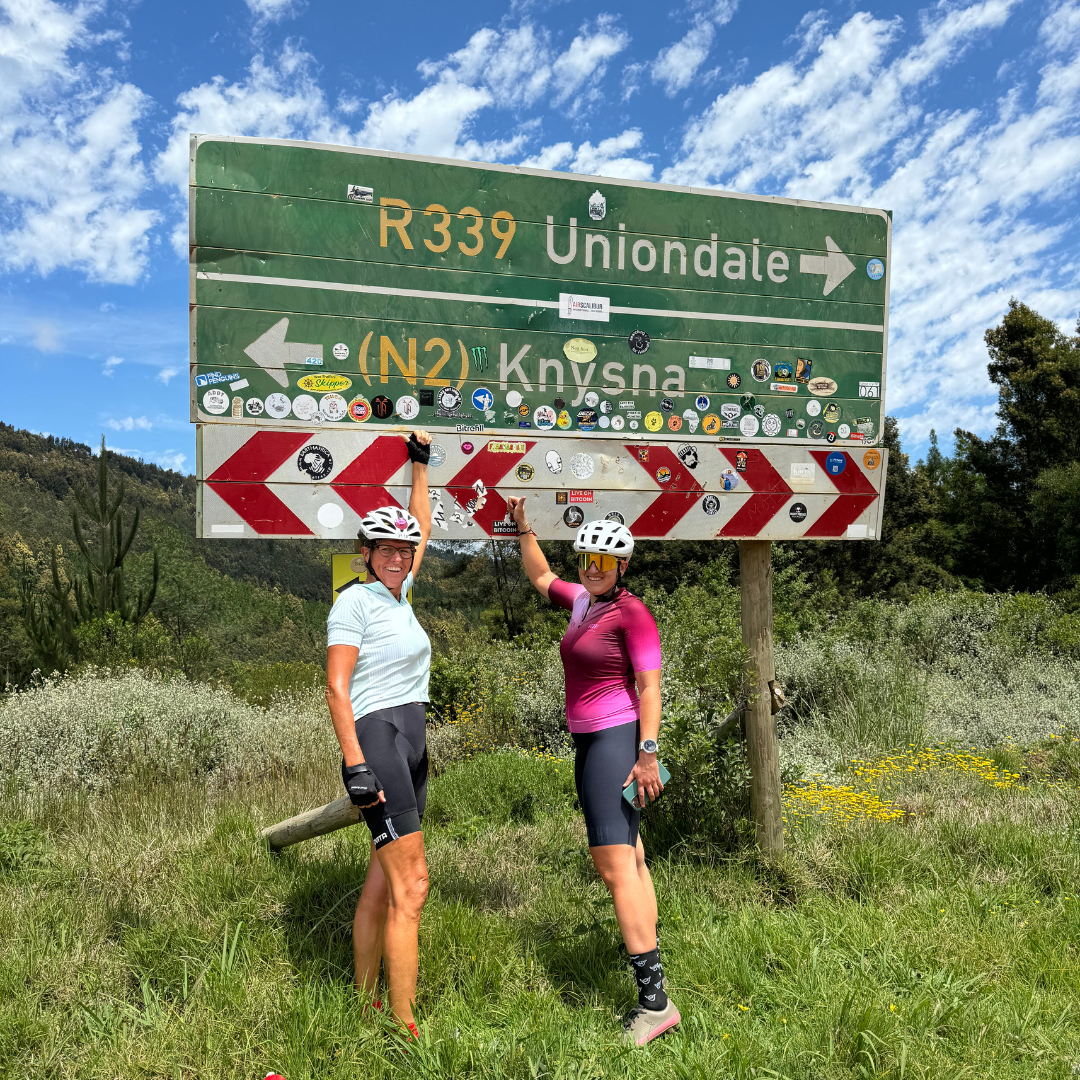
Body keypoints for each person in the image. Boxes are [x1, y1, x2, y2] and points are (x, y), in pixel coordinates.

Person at [506, 499, 681, 1046]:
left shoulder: (633, 613)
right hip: (588, 739)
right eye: (587, 559)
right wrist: (524, 526)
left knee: (612, 864)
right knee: (632, 855)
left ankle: (655, 1004)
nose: (592, 568)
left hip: (615, 737)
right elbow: (540, 575)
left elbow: (650, 685)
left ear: (622, 566)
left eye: (604, 562)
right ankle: (650, 952)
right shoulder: (583, 602)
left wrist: (647, 752)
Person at [325, 429, 433, 1037]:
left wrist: (419, 467)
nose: (397, 556)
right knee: (412, 886)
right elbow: (337, 687)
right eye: (385, 548)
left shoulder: (401, 597)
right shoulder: (356, 602)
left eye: (403, 550)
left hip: (412, 745)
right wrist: (354, 764)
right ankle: (404, 1026)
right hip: (378, 741)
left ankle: (367, 1004)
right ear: (366, 552)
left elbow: (419, 525)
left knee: (382, 885)